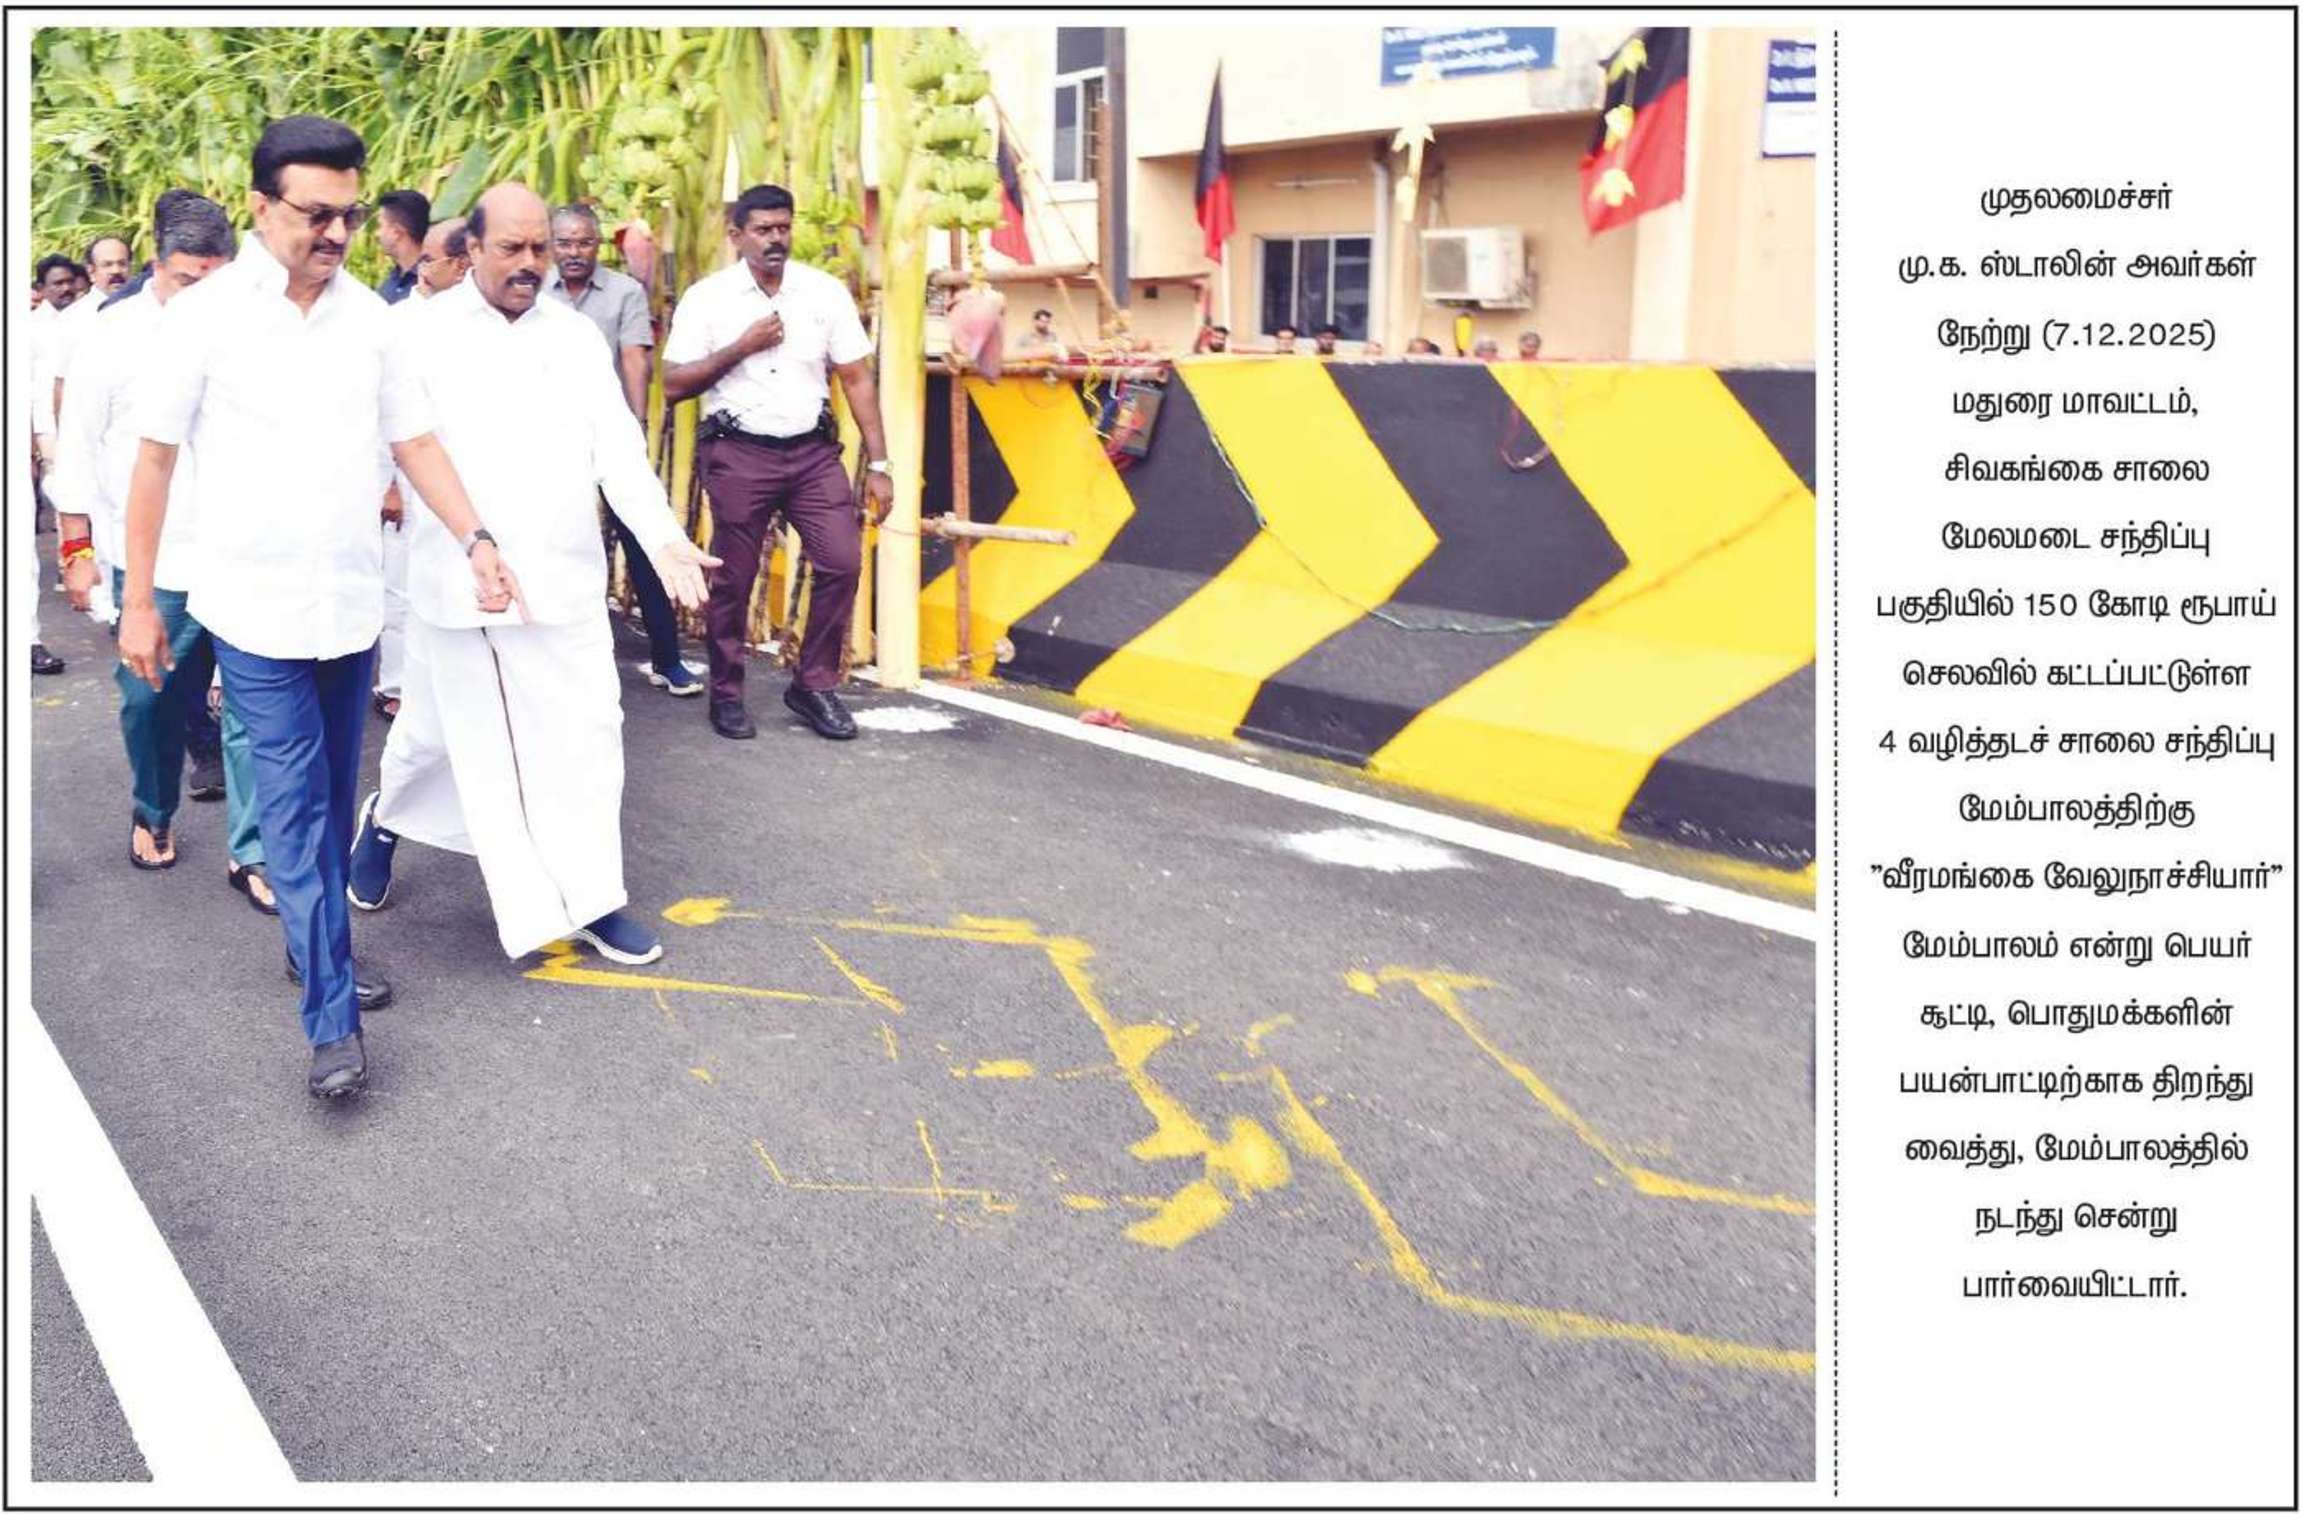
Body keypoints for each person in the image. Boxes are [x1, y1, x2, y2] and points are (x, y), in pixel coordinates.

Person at [121, 114, 512, 1099]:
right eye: (315, 214)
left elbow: (415, 441)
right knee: (295, 811)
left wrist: (476, 537)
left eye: (349, 215)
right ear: (262, 207)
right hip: (253, 614)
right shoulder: (204, 320)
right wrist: (139, 602)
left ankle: (313, 943)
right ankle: (332, 1021)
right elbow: (153, 461)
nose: (336, 233)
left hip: (348, 610)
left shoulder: (372, 322)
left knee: (334, 805)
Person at [347, 183, 718, 966]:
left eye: (539, 249)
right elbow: (387, 450)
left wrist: (664, 538)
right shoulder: (416, 333)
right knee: (442, 742)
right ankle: (384, 821)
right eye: (511, 248)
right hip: (463, 583)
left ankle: (593, 899)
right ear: (471, 251)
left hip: (566, 578)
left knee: (589, 735)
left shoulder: (574, 338)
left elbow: (617, 448)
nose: (529, 263)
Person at [55, 193, 270, 903]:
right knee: (149, 702)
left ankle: (254, 851)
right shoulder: (113, 338)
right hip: (158, 561)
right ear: (156, 265)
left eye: (214, 279)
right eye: (185, 281)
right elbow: (78, 447)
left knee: (252, 711)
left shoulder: (258, 328)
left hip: (244, 555)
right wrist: (78, 550)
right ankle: (153, 809)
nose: (201, 296)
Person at [661, 182, 894, 742]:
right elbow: (672, 384)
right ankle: (727, 694)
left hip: (812, 454)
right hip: (739, 453)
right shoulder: (708, 298)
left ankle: (813, 685)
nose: (775, 239)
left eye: (784, 228)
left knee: (842, 561)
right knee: (733, 581)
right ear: (736, 235)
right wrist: (741, 346)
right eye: (763, 230)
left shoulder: (823, 292)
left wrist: (881, 464)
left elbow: (857, 378)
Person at [544, 200, 701, 698]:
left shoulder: (623, 292)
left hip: (606, 434)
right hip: (547, 440)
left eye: (583, 242)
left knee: (641, 540)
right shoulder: (534, 289)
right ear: (551, 245)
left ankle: (668, 659)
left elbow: (635, 359)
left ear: (599, 245)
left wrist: (634, 431)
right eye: (564, 243)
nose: (574, 252)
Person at [375, 215, 472, 721]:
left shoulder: (479, 325)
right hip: (408, 479)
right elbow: (381, 413)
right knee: (402, 584)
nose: (418, 268)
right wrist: (390, 483)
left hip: (464, 476)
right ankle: (397, 686)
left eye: (429, 259)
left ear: (462, 264)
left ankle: (453, 688)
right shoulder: (396, 323)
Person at [372, 188, 429, 304]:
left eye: (380, 226)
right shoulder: (389, 282)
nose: (377, 234)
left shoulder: (432, 283)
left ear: (396, 232)